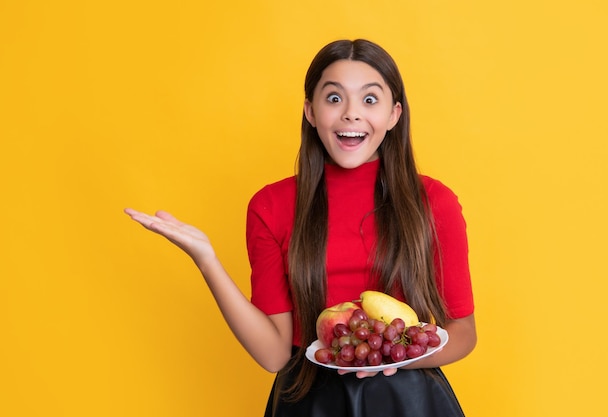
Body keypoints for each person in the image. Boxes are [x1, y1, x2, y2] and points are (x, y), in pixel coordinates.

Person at [125, 39, 476, 417]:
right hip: (310, 401)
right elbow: (274, 355)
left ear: (394, 114)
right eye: (334, 98)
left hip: (410, 401)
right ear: (311, 111)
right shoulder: (270, 206)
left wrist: (389, 357)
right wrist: (206, 259)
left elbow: (463, 333)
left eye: (370, 100)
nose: (352, 115)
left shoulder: (433, 202)